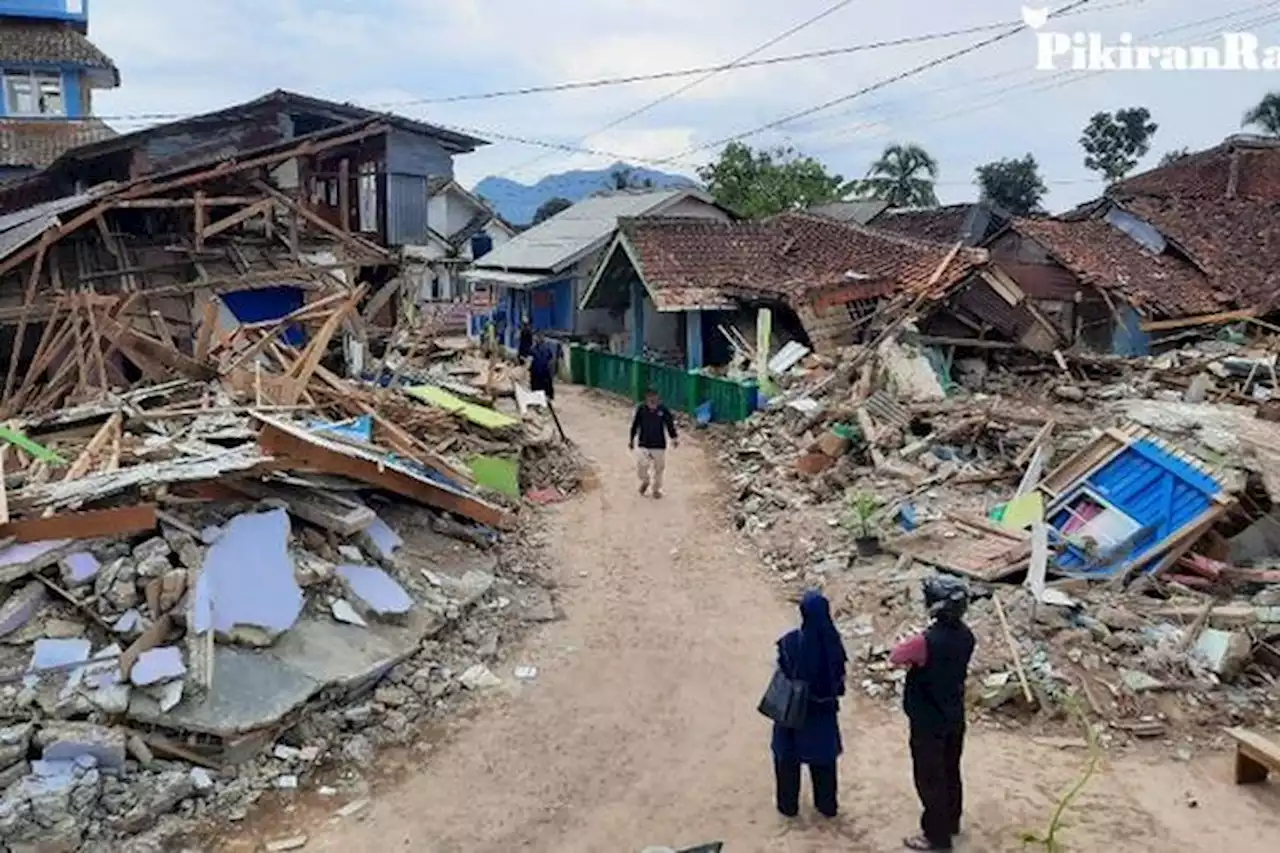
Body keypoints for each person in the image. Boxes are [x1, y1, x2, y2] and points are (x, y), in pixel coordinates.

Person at [890, 577, 975, 851]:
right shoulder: (966, 636)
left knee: (930, 779)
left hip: (928, 720)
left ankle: (936, 837)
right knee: (951, 771)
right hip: (953, 715)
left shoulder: (924, 642)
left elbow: (896, 656)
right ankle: (951, 822)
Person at [770, 589, 847, 820]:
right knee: (823, 760)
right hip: (822, 714)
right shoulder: (834, 646)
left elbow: (782, 671)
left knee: (786, 757)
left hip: (792, 711)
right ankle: (826, 805)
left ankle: (788, 805)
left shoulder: (790, 642)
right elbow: (839, 684)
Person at [629, 387, 677, 498]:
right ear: (646, 397)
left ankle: (656, 489)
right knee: (642, 465)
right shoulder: (641, 409)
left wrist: (674, 438)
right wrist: (631, 439)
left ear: (658, 397)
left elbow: (670, 425)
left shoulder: (663, 410)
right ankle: (645, 481)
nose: (653, 398)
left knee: (659, 469)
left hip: (659, 445)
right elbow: (635, 425)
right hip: (644, 444)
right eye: (650, 396)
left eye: (655, 396)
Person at [529, 334, 557, 401]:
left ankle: (542, 396)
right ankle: (546, 396)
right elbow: (551, 358)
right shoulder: (536, 348)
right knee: (544, 384)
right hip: (541, 369)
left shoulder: (536, 348)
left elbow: (551, 358)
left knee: (539, 384)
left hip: (540, 369)